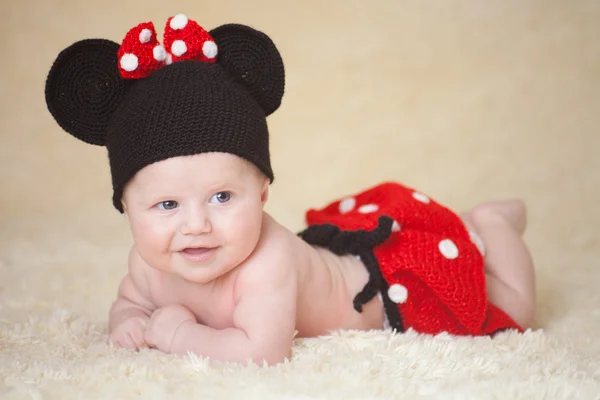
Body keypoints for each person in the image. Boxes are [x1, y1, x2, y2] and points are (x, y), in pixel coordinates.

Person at [44, 14, 536, 366]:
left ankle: (490, 224)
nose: (196, 225)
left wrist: (177, 333)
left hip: (385, 283)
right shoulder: (145, 264)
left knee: (511, 306)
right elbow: (130, 300)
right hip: (330, 258)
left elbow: (263, 351)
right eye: (167, 205)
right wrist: (125, 319)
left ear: (261, 192)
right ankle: (475, 224)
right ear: (126, 209)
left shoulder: (265, 262)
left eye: (222, 197)